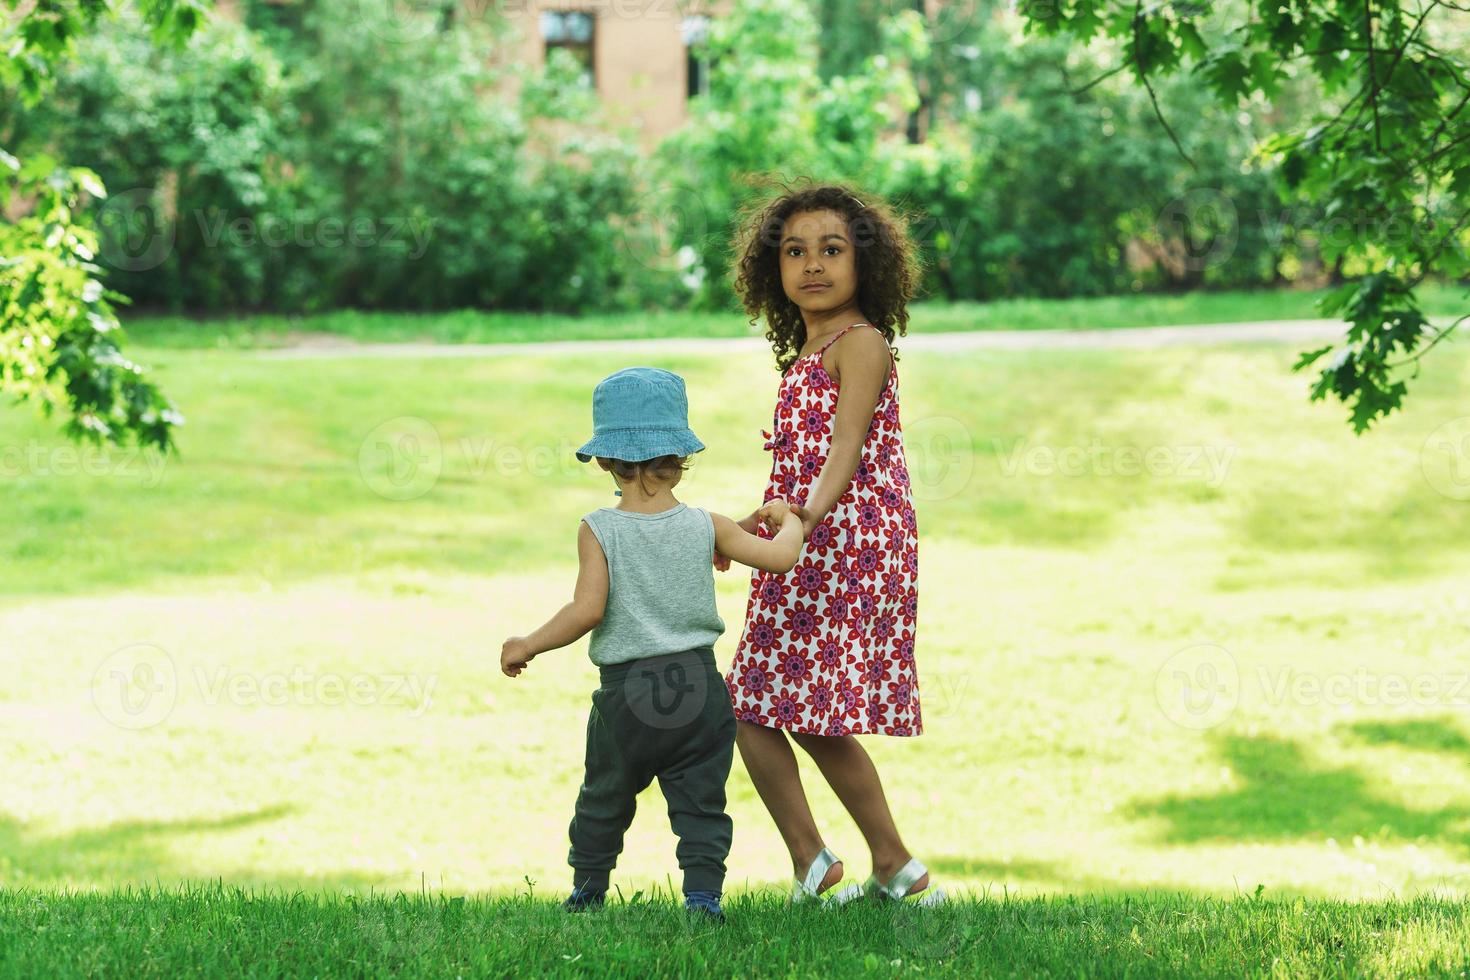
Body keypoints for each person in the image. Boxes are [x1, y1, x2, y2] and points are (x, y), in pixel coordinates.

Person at [500, 366, 807, 923]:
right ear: (680, 460)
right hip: (700, 690)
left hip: (627, 696)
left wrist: (529, 643)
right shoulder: (706, 525)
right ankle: (703, 899)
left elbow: (586, 610)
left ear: (604, 460)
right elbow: (781, 556)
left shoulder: (599, 528)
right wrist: (789, 520)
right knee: (701, 803)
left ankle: (588, 889)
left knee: (605, 795)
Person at [718, 183, 944, 906]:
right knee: (761, 703)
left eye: (832, 249)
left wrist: (804, 521)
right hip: (808, 534)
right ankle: (851, 861)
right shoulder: (808, 350)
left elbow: (847, 446)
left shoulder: (863, 342)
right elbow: (807, 458)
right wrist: (773, 515)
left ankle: (867, 861)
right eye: (794, 251)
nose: (813, 264)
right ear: (772, 268)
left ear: (864, 263)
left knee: (774, 702)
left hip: (849, 545)